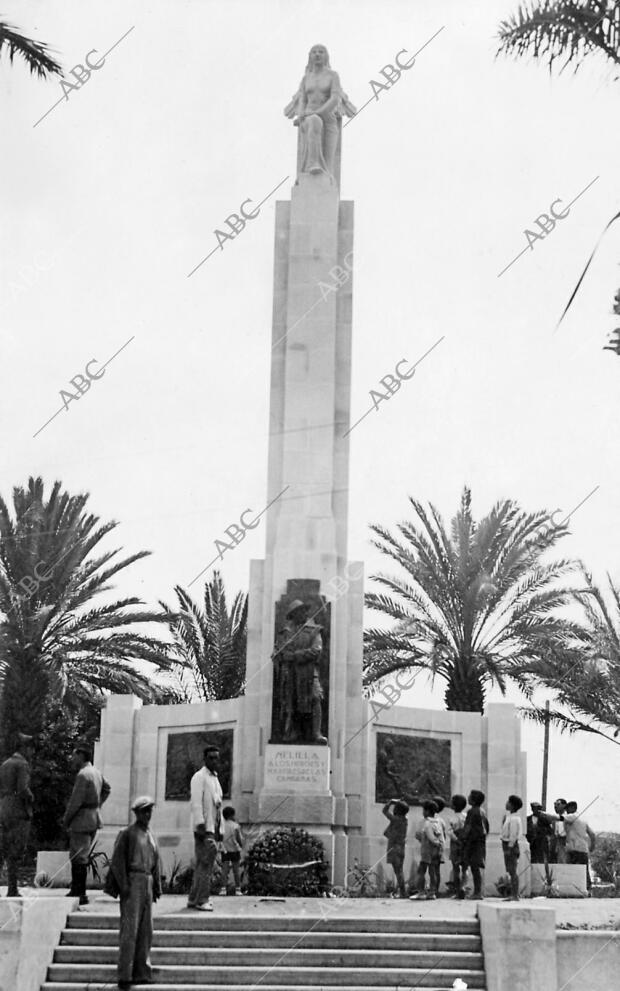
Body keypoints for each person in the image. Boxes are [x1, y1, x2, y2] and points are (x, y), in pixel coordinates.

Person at [105, 795, 161, 991]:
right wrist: (124, 885)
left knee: (146, 931)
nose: (148, 814)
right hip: (133, 880)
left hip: (146, 881)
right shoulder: (128, 833)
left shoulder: (150, 835)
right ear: (137, 813)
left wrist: (156, 888)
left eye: (150, 810)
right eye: (144, 810)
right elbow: (117, 861)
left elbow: (156, 863)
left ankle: (142, 972)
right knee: (130, 930)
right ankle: (125, 974)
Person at [63, 743, 110, 905]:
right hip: (94, 817)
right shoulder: (96, 772)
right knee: (82, 855)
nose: (72, 759)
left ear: (81, 756)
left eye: (74, 756)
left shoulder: (83, 775)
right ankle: (78, 891)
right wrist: (97, 805)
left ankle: (79, 892)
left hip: (82, 819)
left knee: (78, 856)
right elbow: (107, 789)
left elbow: (75, 801)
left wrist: (66, 819)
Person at [188, 744, 223, 911]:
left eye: (217, 757)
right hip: (204, 828)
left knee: (204, 864)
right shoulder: (199, 777)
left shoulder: (214, 779)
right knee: (206, 865)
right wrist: (200, 826)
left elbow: (218, 805)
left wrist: (220, 829)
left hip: (213, 828)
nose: (214, 761)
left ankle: (194, 899)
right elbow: (196, 804)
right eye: (211, 758)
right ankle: (202, 899)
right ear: (205, 759)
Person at [0, 733, 34, 897]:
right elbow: (23, 788)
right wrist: (30, 797)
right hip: (18, 810)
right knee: (15, 849)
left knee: (4, 847)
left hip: (4, 807)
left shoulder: (5, 764)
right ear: (25, 748)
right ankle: (12, 888)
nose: (32, 752)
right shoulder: (22, 764)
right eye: (30, 748)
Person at [410, 800, 445, 900]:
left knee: (421, 871)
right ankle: (432, 892)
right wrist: (440, 846)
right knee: (433, 871)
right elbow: (441, 837)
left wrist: (421, 837)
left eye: (423, 810)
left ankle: (421, 892)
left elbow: (430, 837)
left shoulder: (427, 823)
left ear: (427, 811)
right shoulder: (438, 822)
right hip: (437, 851)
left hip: (427, 851)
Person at [461, 790, 489, 900]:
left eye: (470, 796)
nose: (468, 797)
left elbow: (468, 826)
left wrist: (463, 837)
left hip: (473, 842)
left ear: (473, 800)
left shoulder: (472, 811)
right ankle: (478, 891)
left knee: (474, 868)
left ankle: (477, 893)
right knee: (476, 868)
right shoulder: (482, 811)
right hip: (479, 842)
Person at [563, 801, 596, 893]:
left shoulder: (572, 816)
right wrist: (592, 846)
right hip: (582, 849)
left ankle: (577, 890)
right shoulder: (583, 820)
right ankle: (587, 890)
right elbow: (592, 834)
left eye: (568, 809)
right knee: (584, 872)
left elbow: (558, 817)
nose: (567, 812)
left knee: (573, 871)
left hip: (574, 849)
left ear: (573, 808)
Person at [381, 798, 409, 898]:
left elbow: (384, 811)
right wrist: (400, 803)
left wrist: (390, 802)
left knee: (398, 872)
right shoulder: (405, 820)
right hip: (401, 848)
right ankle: (402, 891)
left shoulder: (395, 819)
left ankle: (403, 892)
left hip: (394, 848)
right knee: (399, 871)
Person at [500, 795, 523, 900]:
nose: (506, 803)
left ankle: (515, 894)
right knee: (510, 870)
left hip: (511, 845)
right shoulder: (509, 817)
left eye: (509, 802)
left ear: (513, 806)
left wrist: (509, 847)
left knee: (513, 870)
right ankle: (513, 894)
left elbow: (513, 835)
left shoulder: (514, 819)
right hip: (506, 844)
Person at [447, 794, 467, 899]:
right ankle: (463, 886)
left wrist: (457, 840)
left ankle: (457, 890)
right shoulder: (466, 816)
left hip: (455, 844)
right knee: (465, 868)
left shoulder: (452, 818)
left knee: (455, 868)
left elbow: (450, 832)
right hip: (465, 843)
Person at [220, 806, 243, 895]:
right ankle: (238, 889)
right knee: (236, 870)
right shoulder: (236, 826)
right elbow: (239, 839)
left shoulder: (222, 826)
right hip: (235, 850)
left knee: (224, 870)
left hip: (225, 850)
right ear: (231, 815)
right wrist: (241, 845)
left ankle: (223, 889)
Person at [548, 798, 568, 863]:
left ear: (564, 805)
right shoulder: (555, 818)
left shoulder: (568, 817)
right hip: (555, 844)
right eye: (555, 804)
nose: (555, 806)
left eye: (558, 804)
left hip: (565, 844)